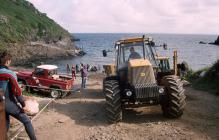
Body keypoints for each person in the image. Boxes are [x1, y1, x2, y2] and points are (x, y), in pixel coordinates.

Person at [0, 51, 37, 140]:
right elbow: (17, 92)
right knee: (26, 121)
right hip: (9, 104)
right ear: (8, 61)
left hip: (0, 103)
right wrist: (23, 105)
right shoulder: (9, 73)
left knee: (6, 123)